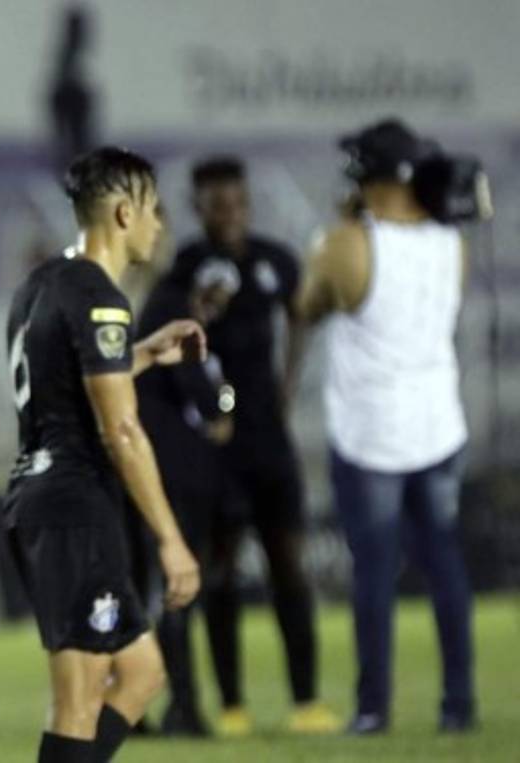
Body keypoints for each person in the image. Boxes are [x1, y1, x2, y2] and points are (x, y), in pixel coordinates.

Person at [2, 146, 203, 762]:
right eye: (154, 210)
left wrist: (139, 353)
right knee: (78, 701)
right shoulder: (100, 295)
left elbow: (64, 382)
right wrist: (170, 539)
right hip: (74, 505)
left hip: (39, 494)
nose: (160, 225)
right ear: (122, 213)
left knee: (142, 673)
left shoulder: (42, 283)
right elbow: (121, 430)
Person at [295, 118, 475, 735]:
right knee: (446, 566)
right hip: (438, 424)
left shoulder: (347, 241)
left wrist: (339, 228)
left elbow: (306, 304)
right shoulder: (451, 241)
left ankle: (373, 709)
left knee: (374, 571)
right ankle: (459, 705)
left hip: (372, 433)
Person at [170, 156, 338, 735]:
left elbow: (302, 316)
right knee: (219, 573)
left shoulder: (275, 261)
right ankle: (233, 705)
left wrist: (286, 386)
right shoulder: (189, 267)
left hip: (269, 440)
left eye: (238, 203)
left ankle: (306, 701)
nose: (231, 215)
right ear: (199, 207)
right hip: (217, 445)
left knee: (288, 568)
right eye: (218, 205)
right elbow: (174, 337)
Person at [129, 258, 241, 736]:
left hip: (145, 468)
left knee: (142, 587)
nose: (215, 311)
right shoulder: (173, 312)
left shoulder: (152, 307)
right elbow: (203, 393)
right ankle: (183, 706)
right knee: (177, 588)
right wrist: (223, 401)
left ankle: (133, 708)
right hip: (173, 470)